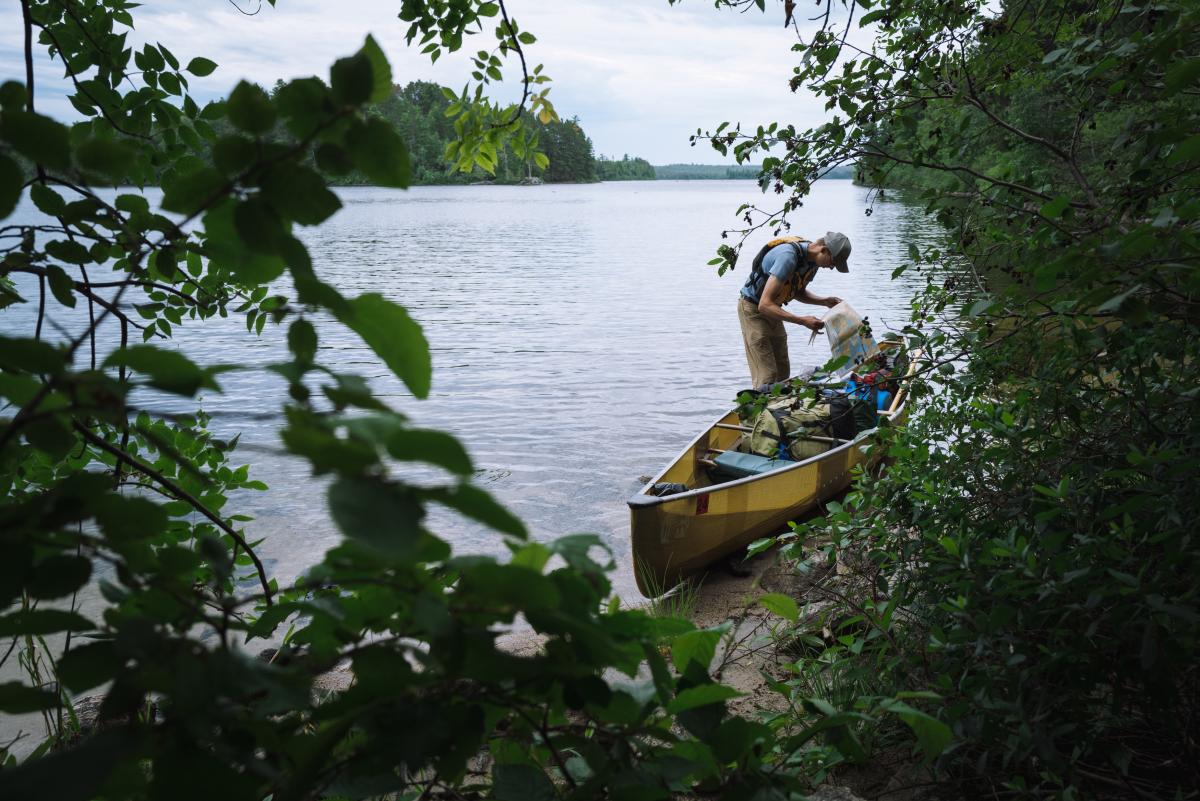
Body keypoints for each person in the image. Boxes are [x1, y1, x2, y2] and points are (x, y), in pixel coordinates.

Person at [737, 232, 852, 389]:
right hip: (753, 309)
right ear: (824, 250)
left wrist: (824, 301)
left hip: (773, 310)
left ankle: (779, 410)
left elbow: (797, 291)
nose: (832, 268)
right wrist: (802, 321)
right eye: (833, 262)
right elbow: (764, 304)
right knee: (767, 376)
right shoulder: (788, 257)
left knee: (783, 373)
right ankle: (760, 410)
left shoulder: (813, 263)